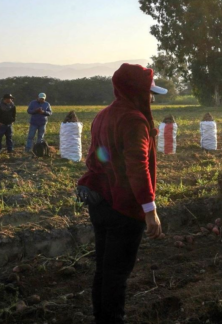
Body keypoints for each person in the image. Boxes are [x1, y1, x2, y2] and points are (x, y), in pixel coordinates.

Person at [77, 63, 166, 324]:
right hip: (124, 208)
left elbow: (94, 158)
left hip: (101, 204)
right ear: (137, 91)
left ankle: (101, 318)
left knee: (104, 269)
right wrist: (150, 210)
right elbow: (137, 166)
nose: (151, 98)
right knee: (117, 274)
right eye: (149, 92)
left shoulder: (103, 115)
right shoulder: (134, 120)